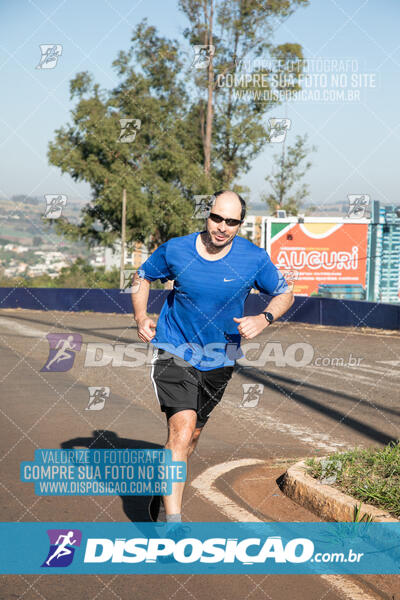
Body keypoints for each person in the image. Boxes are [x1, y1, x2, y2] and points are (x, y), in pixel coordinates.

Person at [131, 190, 294, 522]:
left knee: (192, 436)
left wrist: (263, 318)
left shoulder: (253, 258)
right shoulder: (176, 249)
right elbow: (142, 276)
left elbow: (285, 292)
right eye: (217, 218)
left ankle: (162, 488)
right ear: (207, 216)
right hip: (175, 347)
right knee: (182, 428)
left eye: (231, 221)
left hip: (222, 356)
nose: (222, 227)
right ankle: (173, 523)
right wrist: (140, 317)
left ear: (240, 224)